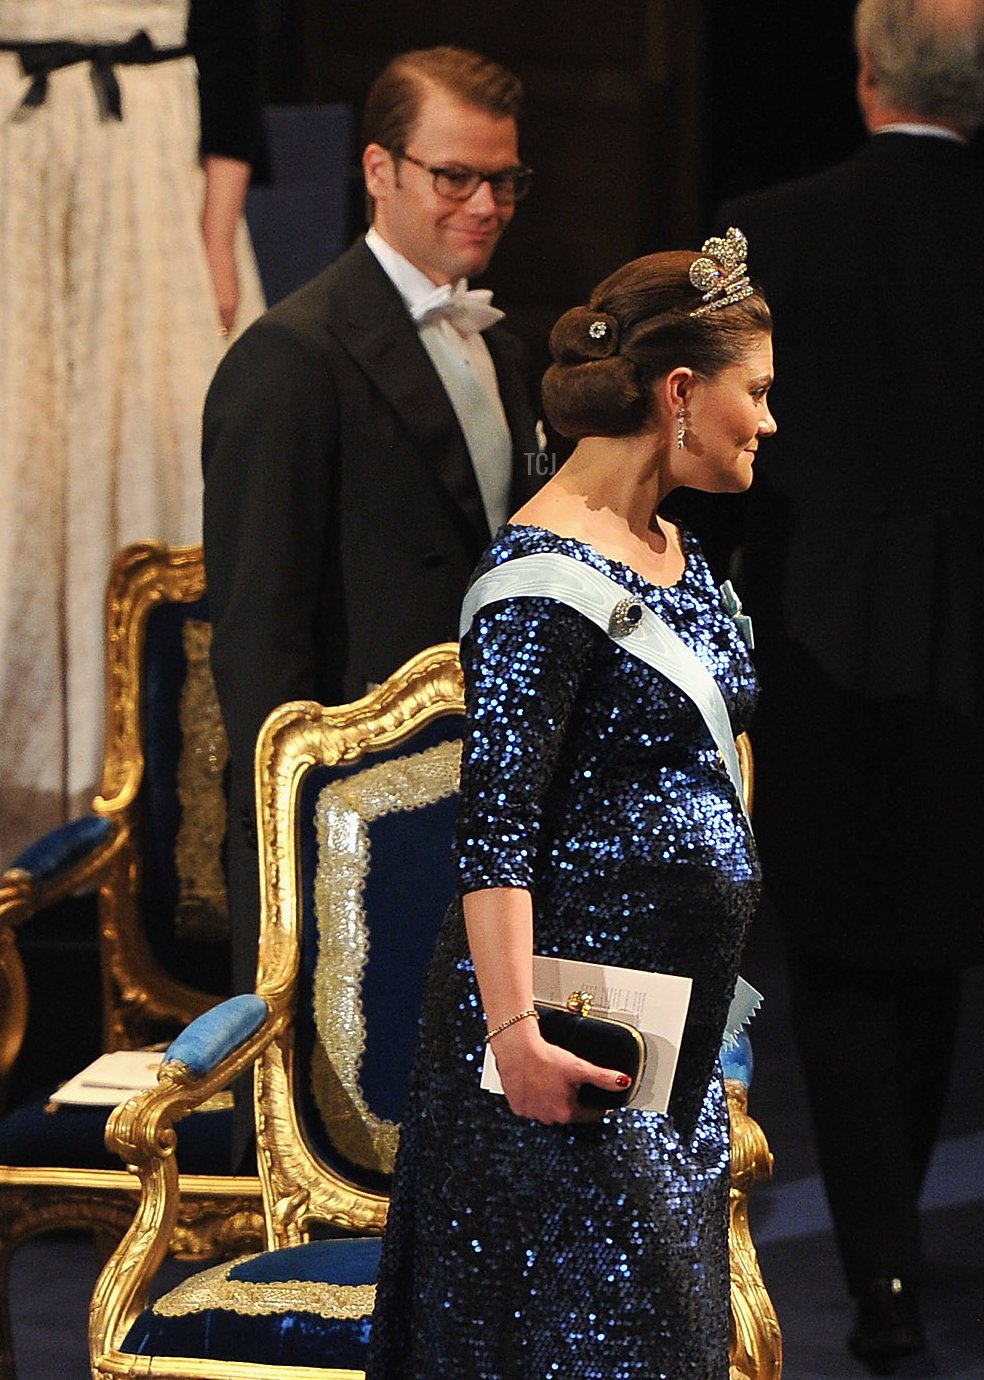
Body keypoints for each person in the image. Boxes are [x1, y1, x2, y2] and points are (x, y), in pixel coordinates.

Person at [365, 239, 776, 1378]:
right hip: (557, 1049)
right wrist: (519, 1041)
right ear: (682, 394)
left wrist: (722, 1015)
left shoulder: (676, 551)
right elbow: (492, 834)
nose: (770, 422)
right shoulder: (538, 583)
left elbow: (698, 791)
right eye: (759, 392)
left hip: (666, 1043)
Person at [714, 0, 984, 1365]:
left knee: (842, 962)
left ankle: (879, 1267)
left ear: (866, 71)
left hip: (826, 650)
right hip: (971, 664)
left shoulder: (772, 227)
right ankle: (898, 1249)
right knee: (936, 950)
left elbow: (708, 450)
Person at [202, 46, 543, 1005]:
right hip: (346, 834)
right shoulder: (289, 358)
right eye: (456, 177)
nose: (485, 204)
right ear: (378, 171)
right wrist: (296, 843)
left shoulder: (502, 349)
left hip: (479, 811)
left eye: (504, 179)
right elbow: (259, 645)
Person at [0, 0, 265, 869]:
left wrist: (216, 244)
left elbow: (233, 68)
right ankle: (26, 797)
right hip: (17, 171)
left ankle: (147, 813)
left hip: (147, 185)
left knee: (152, 464)